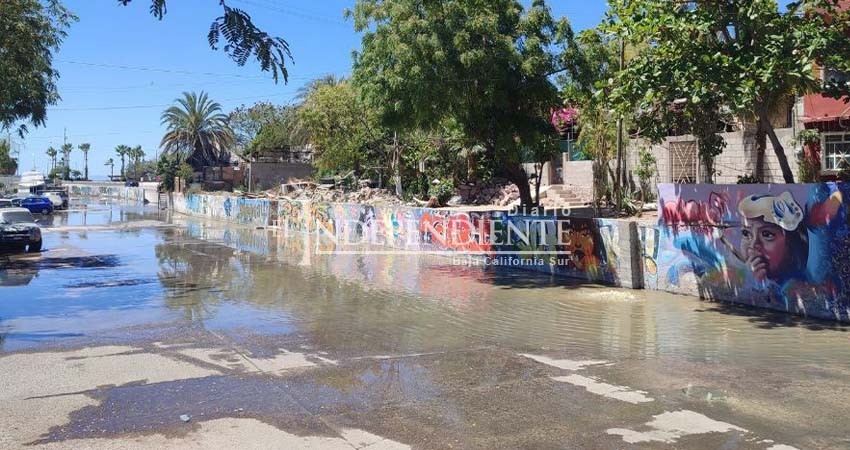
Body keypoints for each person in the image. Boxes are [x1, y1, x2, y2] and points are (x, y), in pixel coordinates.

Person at [737, 192, 808, 284]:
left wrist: (752, 285)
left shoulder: (798, 284)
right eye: (746, 233)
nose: (753, 244)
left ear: (790, 242)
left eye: (767, 234)